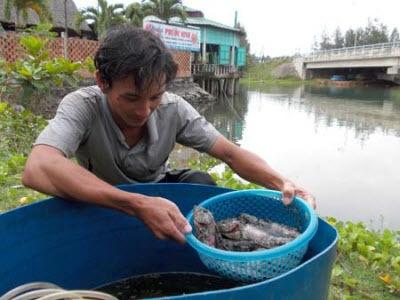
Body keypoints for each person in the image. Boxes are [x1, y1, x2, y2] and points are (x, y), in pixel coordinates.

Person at [22, 26, 316, 245]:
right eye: (131, 98)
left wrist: (282, 183)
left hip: (157, 187)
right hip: (105, 196)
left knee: (202, 183)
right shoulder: (82, 106)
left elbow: (230, 153)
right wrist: (136, 204)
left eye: (155, 97)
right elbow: (37, 168)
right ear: (102, 82)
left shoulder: (174, 109)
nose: (144, 111)